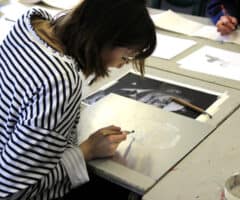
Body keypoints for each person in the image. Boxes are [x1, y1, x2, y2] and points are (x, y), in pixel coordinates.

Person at [0, 0, 156, 199]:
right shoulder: (59, 81)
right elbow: (13, 192)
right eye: (125, 57)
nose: (119, 66)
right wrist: (87, 150)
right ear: (104, 38)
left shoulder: (31, 22)